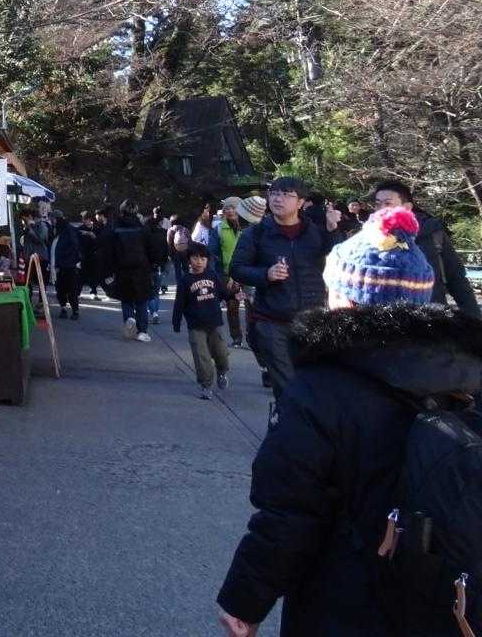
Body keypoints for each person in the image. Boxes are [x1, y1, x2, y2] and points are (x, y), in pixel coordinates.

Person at [215, 208, 482, 636]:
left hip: (342, 599)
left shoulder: (321, 390)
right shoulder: (466, 376)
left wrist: (244, 602)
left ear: (346, 298)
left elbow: (289, 514)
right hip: (442, 600)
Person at [228, 176, 341, 405]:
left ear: (300, 202)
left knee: (312, 384)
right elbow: (237, 269)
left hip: (312, 321)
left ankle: (292, 421)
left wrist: (333, 230)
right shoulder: (256, 234)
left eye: (286, 194)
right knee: (288, 387)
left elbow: (339, 255)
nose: (278, 199)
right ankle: (288, 422)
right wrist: (265, 275)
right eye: (274, 194)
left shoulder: (314, 232)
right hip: (272, 321)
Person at [373, 179, 481, 319]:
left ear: (407, 207)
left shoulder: (432, 233)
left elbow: (456, 278)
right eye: (377, 204)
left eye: (388, 204)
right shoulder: (370, 237)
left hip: (432, 318)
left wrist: (475, 320)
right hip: (387, 321)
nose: (381, 209)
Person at [101, 201, 165, 342]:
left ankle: (129, 318)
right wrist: (154, 264)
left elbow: (108, 251)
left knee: (127, 299)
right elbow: (152, 249)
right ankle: (142, 331)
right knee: (141, 300)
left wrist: (109, 271)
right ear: (136, 211)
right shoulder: (143, 228)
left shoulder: (115, 228)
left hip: (122, 269)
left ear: (122, 211)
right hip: (141, 269)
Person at [172, 243, 230, 400]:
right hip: (196, 325)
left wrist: (233, 295)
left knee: (221, 353)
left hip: (214, 323)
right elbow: (179, 303)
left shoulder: (212, 275)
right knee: (201, 356)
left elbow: (223, 292)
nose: (199, 261)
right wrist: (176, 322)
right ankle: (206, 385)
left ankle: (222, 372)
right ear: (189, 260)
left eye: (203, 259)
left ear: (207, 261)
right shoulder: (185, 280)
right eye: (195, 258)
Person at [210, 197, 256, 349]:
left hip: (248, 273)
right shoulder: (218, 229)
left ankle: (251, 337)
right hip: (228, 274)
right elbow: (213, 253)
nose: (230, 211)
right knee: (232, 307)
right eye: (227, 208)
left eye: (234, 207)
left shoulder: (250, 228)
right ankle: (236, 338)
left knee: (251, 306)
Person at [48, 209, 83, 318]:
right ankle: (64, 308)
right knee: (61, 288)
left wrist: (70, 260)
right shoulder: (58, 229)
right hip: (60, 265)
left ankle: (75, 311)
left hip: (68, 265)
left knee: (70, 288)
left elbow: (74, 246)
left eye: (53, 219)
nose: (51, 221)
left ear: (56, 219)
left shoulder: (67, 229)